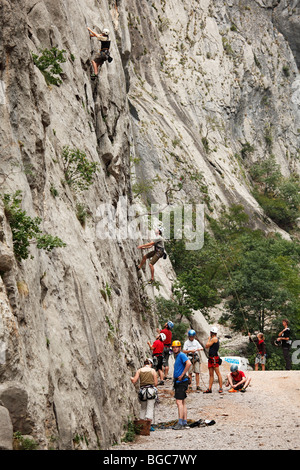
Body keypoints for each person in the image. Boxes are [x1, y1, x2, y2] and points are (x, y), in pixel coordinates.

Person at [130, 358, 158, 427]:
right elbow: (156, 383)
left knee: (143, 408)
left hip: (143, 391)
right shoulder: (153, 371)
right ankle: (148, 426)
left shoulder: (139, 370)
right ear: (150, 364)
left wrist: (130, 377)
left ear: (144, 364)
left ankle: (142, 425)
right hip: (151, 391)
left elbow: (134, 381)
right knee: (150, 408)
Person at [171, 340, 191, 430]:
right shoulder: (178, 356)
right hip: (180, 382)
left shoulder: (181, 355)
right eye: (173, 347)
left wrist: (182, 374)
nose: (175, 349)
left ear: (179, 348)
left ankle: (180, 423)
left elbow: (189, 363)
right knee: (182, 402)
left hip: (181, 382)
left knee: (179, 402)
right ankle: (184, 422)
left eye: (176, 347)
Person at [204, 326, 223, 393]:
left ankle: (220, 388)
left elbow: (206, 345)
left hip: (214, 358)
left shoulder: (214, 339)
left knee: (217, 373)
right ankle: (210, 388)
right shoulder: (215, 338)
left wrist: (209, 339)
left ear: (211, 333)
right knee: (211, 374)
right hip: (211, 358)